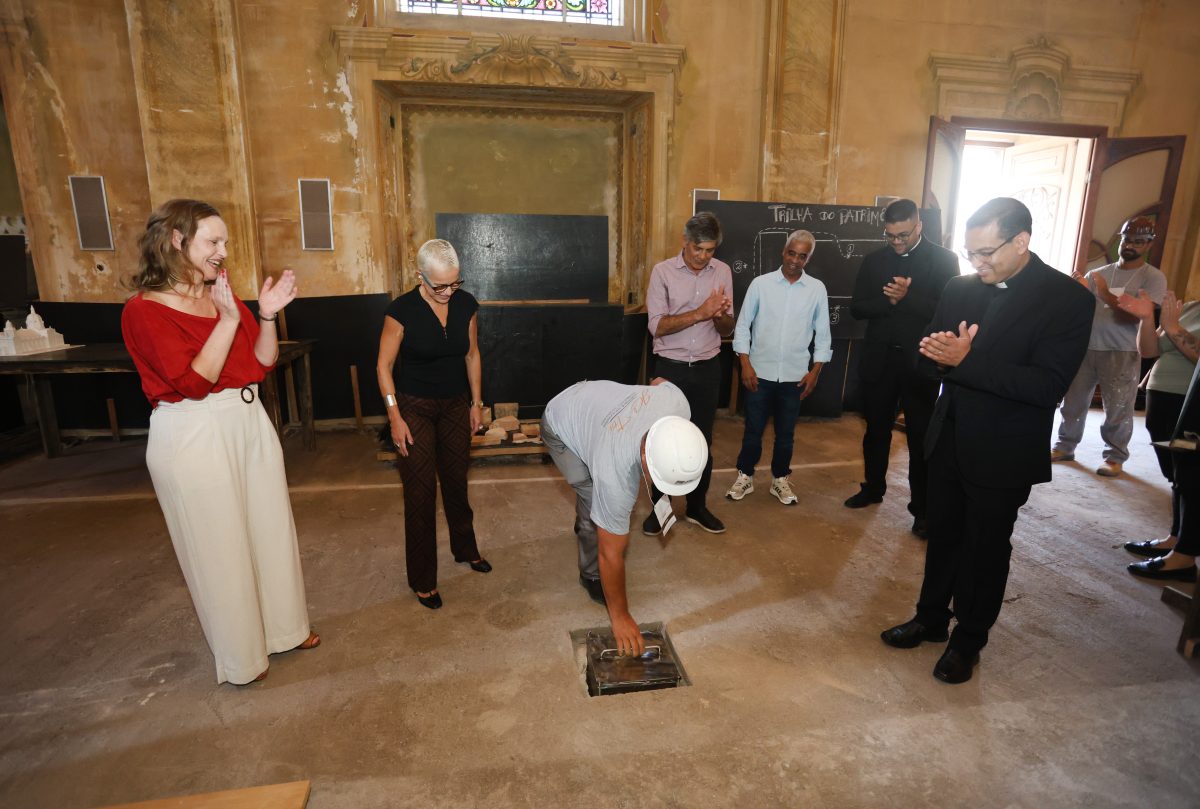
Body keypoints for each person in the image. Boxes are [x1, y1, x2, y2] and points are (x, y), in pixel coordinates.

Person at [880, 197, 1093, 684]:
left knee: (986, 548)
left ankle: (968, 640)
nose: (977, 263)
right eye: (970, 252)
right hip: (949, 435)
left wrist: (964, 361)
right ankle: (931, 619)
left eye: (987, 253)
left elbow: (1046, 386)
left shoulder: (1067, 299)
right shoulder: (960, 287)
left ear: (1021, 242)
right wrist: (936, 357)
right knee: (943, 536)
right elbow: (929, 356)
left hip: (1004, 449)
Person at [121, 199, 318, 686]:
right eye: (213, 241)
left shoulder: (221, 295)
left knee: (270, 532)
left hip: (247, 420)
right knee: (219, 549)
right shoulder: (143, 311)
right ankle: (242, 659)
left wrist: (266, 317)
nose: (222, 252)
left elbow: (261, 363)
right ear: (175, 241)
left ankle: (286, 631)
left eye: (224, 242)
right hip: (194, 430)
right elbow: (192, 382)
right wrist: (229, 320)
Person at [542, 379, 707, 655]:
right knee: (594, 498)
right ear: (645, 455)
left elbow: (657, 382)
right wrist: (620, 616)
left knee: (606, 506)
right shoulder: (615, 472)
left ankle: (597, 517)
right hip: (559, 419)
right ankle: (589, 572)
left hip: (595, 400)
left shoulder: (678, 405)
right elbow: (611, 555)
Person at [377, 239, 490, 610]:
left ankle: (465, 548)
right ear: (419, 276)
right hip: (414, 408)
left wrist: (476, 402)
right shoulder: (401, 311)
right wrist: (394, 416)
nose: (448, 292)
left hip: (457, 405)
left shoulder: (466, 304)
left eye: (454, 284)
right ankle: (423, 579)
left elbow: (472, 354)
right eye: (439, 285)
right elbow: (383, 367)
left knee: (457, 483)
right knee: (421, 493)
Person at [843, 199, 959, 538]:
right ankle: (873, 488)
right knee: (875, 430)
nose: (897, 241)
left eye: (903, 235)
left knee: (922, 439)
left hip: (920, 364)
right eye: (891, 235)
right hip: (879, 362)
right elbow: (857, 308)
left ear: (918, 225)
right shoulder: (874, 260)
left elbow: (947, 311)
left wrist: (908, 297)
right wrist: (888, 302)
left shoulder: (944, 260)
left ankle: (921, 509)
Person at [1052, 216, 1167, 477]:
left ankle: (1114, 456)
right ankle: (1064, 446)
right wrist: (1077, 290)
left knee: (1118, 406)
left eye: (1139, 241)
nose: (1131, 245)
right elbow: (1078, 310)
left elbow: (1138, 316)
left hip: (1123, 349)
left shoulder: (1153, 278)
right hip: (1086, 347)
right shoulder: (1098, 274)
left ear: (1148, 245)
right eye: (1127, 239)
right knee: (1073, 402)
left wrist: (1104, 295)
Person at [643, 211, 734, 535]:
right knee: (663, 441)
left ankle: (697, 507)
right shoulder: (662, 272)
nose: (704, 257)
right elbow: (657, 327)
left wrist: (720, 316)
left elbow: (726, 327)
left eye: (710, 250)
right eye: (699, 249)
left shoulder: (722, 272)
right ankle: (660, 509)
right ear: (685, 242)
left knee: (701, 441)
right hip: (670, 369)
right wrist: (700, 313)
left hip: (708, 367)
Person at [725, 230, 831, 506]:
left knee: (786, 434)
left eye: (802, 255)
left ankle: (780, 480)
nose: (795, 260)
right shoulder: (761, 285)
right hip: (759, 373)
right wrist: (745, 364)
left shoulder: (816, 289)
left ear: (809, 258)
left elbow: (823, 334)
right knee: (753, 430)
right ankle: (745, 475)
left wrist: (815, 371)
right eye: (791, 252)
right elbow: (743, 326)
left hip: (795, 377)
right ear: (783, 251)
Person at [1117, 289, 1200, 581]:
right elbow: (1150, 351)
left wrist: (1175, 328)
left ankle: (1184, 556)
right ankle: (1176, 538)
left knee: (1192, 477)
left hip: (1190, 400)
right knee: (1177, 475)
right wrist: (1146, 320)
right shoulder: (1188, 307)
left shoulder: (1180, 318)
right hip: (1160, 395)